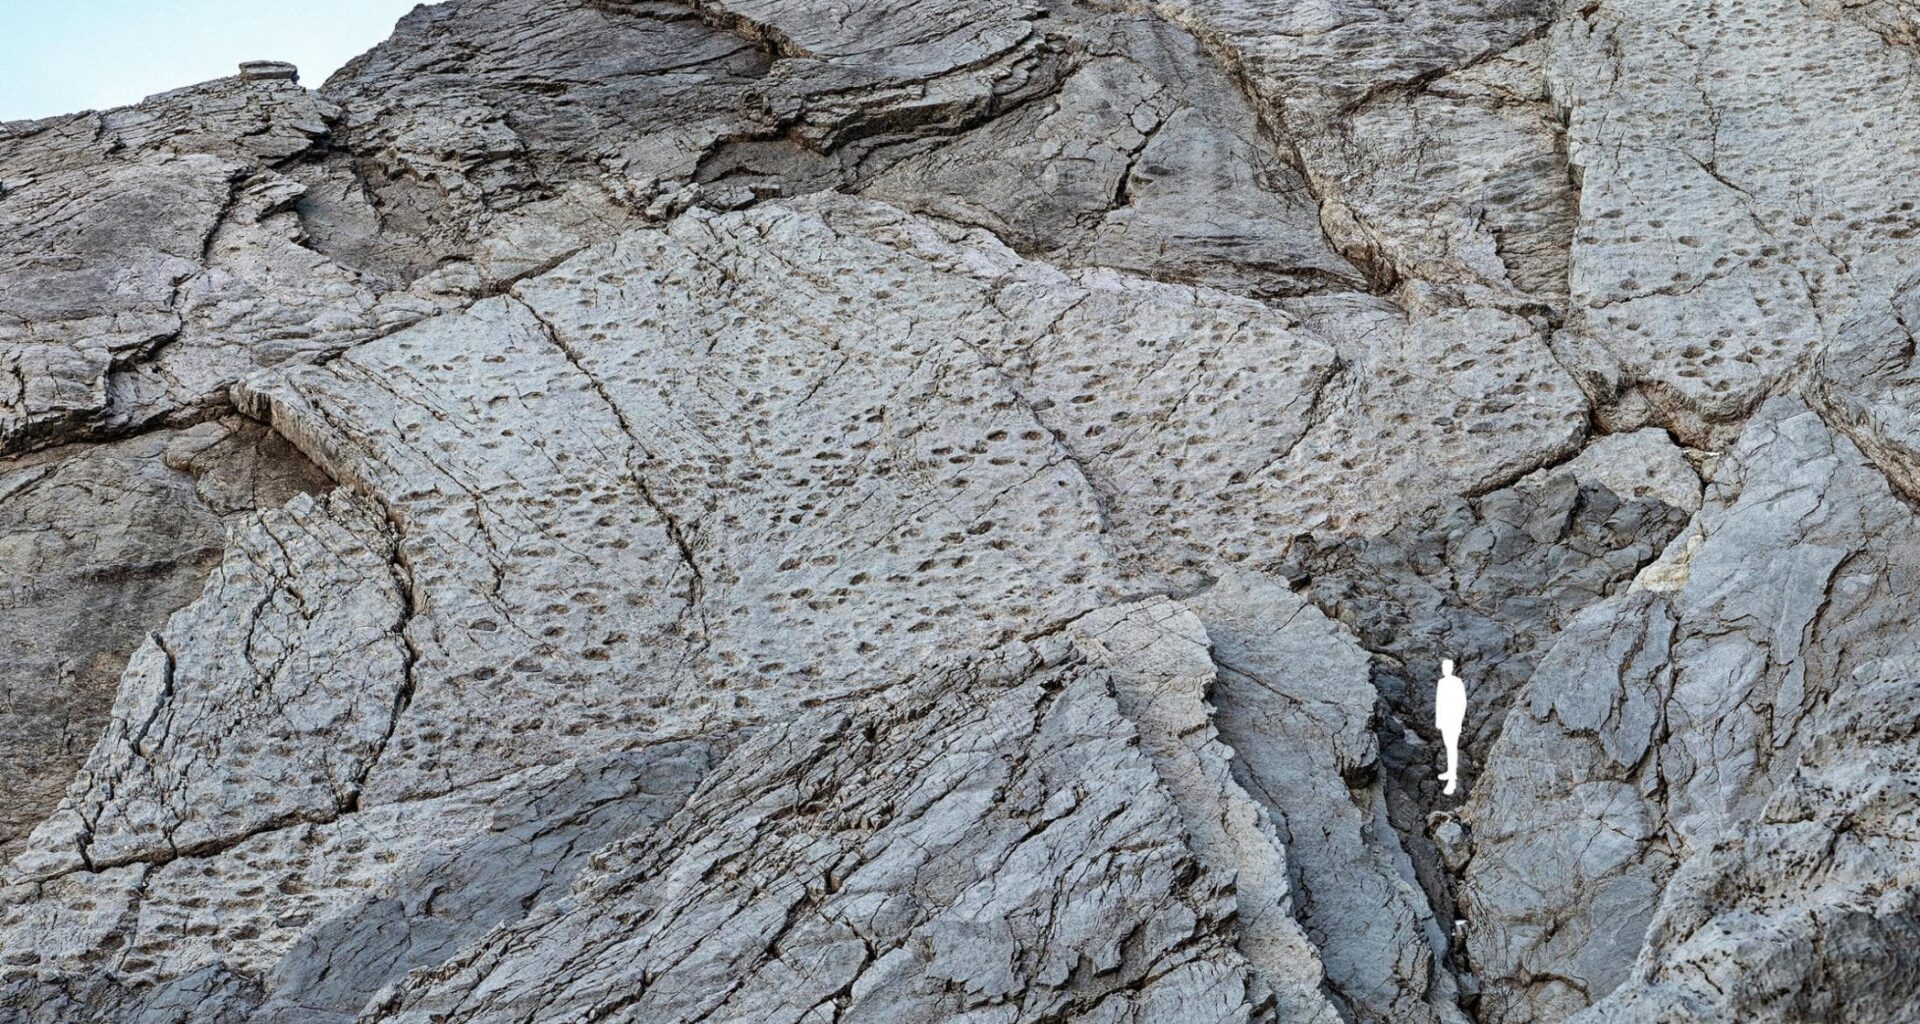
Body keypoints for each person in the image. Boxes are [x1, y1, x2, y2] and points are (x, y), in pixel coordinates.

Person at [1435, 659, 1466, 795]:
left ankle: (1452, 781)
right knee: (1448, 747)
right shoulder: (1441, 682)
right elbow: (1439, 702)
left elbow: (1462, 702)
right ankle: (1449, 772)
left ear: (1452, 668)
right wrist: (1439, 719)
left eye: (1447, 667)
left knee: (1452, 747)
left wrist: (1458, 720)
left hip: (1453, 719)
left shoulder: (1457, 682)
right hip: (1445, 719)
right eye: (1443, 666)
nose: (1444, 669)